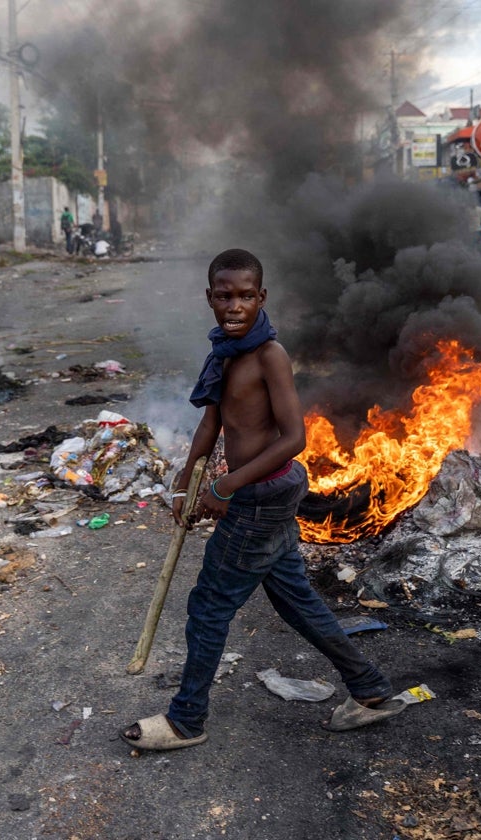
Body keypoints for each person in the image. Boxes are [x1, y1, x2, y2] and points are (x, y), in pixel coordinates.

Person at [121, 249, 399, 751]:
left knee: (208, 608)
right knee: (297, 599)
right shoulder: (224, 353)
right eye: (224, 296)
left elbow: (295, 439)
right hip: (262, 490)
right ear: (209, 298)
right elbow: (212, 421)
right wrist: (186, 484)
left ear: (261, 298)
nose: (234, 306)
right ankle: (371, 688)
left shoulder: (269, 354)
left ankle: (187, 720)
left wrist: (225, 487)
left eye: (246, 296)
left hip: (261, 494)